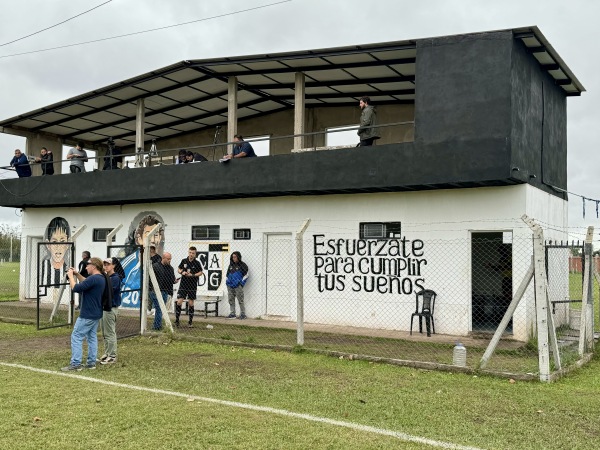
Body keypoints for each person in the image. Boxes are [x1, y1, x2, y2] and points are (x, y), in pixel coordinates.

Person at [61, 257, 105, 371]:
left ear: (94, 266)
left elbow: (76, 288)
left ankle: (76, 363)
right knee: (91, 337)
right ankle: (91, 362)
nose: (86, 267)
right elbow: (86, 281)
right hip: (96, 313)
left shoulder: (94, 278)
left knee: (76, 336)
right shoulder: (99, 278)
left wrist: (71, 276)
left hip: (87, 314)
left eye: (88, 265)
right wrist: (77, 273)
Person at [40, 217, 71, 306]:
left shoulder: (68, 267)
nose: (58, 246)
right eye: (54, 241)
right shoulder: (45, 264)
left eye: (62, 241)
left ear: (68, 244)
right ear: (48, 244)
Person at [99, 257, 122, 364]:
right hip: (104, 307)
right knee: (105, 332)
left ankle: (112, 355)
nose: (106, 266)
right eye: (104, 264)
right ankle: (107, 353)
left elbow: (108, 291)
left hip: (110, 307)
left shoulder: (115, 278)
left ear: (113, 266)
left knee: (110, 333)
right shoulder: (106, 277)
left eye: (108, 264)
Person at [176, 246, 203, 327]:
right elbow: (179, 269)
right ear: (188, 252)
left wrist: (193, 275)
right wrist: (182, 272)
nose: (191, 254)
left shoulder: (197, 263)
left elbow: (201, 272)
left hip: (192, 285)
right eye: (190, 253)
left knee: (191, 303)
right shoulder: (184, 261)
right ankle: (177, 321)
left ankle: (190, 322)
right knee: (179, 301)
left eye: (193, 253)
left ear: (195, 254)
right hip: (183, 284)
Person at [149, 252, 176, 330]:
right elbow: (150, 279)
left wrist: (174, 281)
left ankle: (157, 325)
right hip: (156, 291)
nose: (169, 260)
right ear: (163, 258)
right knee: (159, 307)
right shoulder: (155, 266)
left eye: (170, 259)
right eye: (168, 259)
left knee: (161, 308)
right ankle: (157, 326)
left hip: (165, 291)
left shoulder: (171, 268)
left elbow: (172, 279)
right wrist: (152, 289)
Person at [225, 251, 249, 320]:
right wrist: (227, 282)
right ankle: (232, 314)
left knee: (240, 300)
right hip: (230, 286)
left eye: (235, 257)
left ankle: (243, 314)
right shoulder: (231, 265)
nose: (233, 258)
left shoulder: (243, 265)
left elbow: (247, 275)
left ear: (238, 257)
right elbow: (227, 275)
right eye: (232, 257)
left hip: (238, 286)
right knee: (231, 299)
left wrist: (241, 284)